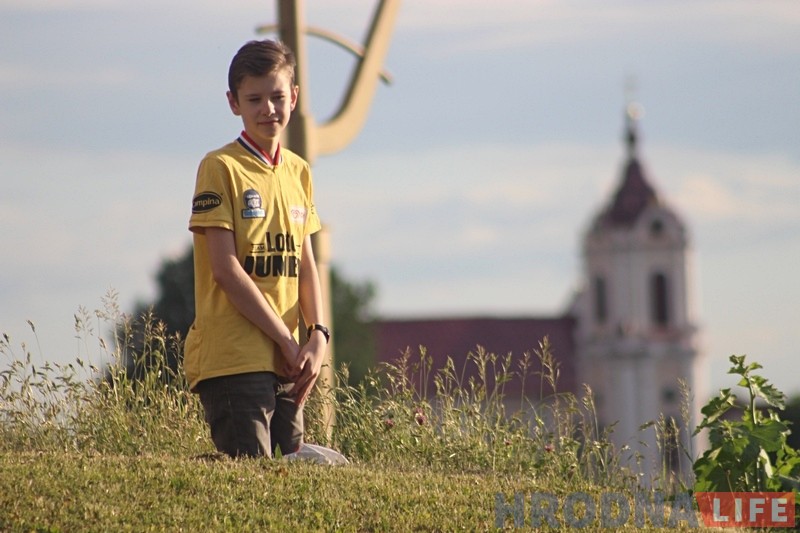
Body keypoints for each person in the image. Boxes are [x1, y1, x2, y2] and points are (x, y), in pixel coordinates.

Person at [183, 39, 330, 458]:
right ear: (234, 103)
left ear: (294, 97)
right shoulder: (220, 167)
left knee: (290, 475)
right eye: (254, 99)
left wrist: (317, 336)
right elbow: (226, 270)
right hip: (236, 356)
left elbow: (304, 261)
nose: (268, 108)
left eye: (278, 96)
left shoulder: (299, 171)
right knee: (252, 474)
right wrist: (286, 339)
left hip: (287, 359)